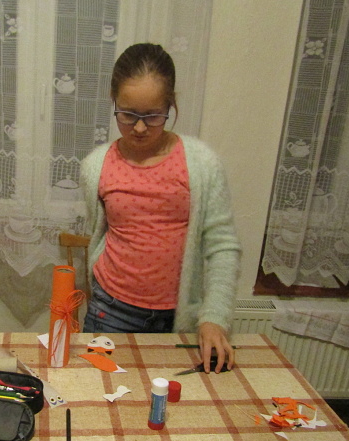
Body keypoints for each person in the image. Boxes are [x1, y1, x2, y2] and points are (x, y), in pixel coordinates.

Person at [79, 43, 241, 373]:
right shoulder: (96, 166)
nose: (139, 128)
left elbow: (222, 246)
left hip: (178, 317)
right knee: (97, 394)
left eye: (152, 116)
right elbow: (99, 234)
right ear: (113, 101)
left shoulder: (202, 164)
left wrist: (214, 317)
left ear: (170, 104)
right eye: (128, 115)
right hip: (110, 312)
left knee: (171, 401)